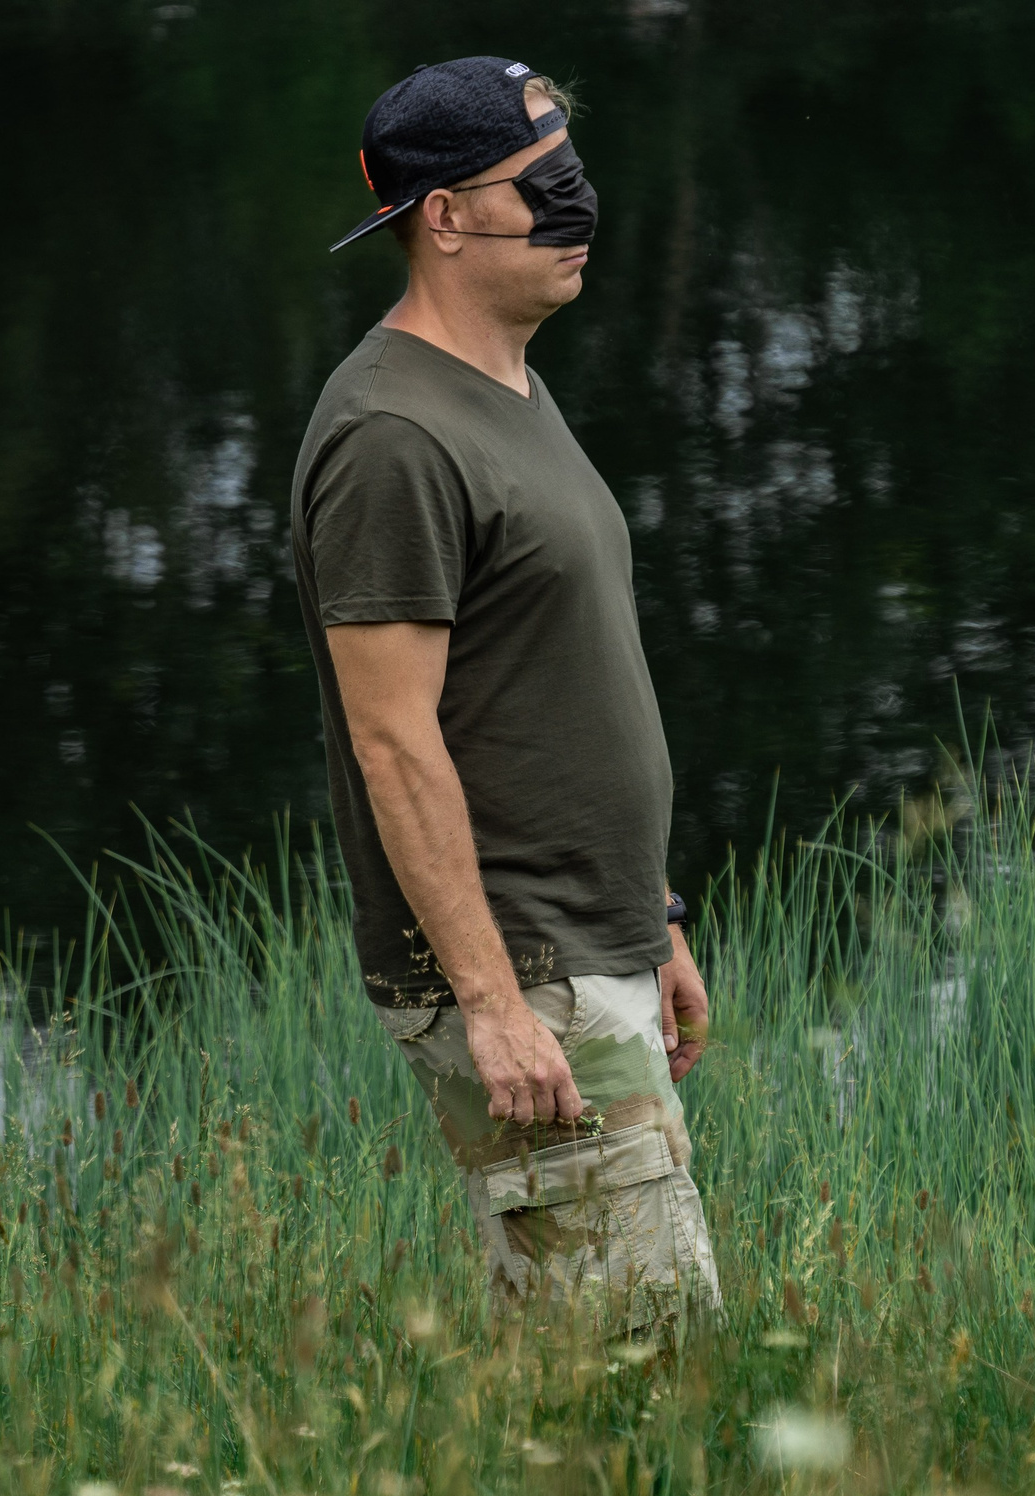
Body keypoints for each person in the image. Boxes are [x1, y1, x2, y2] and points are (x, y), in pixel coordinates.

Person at [293, 59, 721, 1332]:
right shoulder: (391, 437)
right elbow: (391, 738)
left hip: (590, 940)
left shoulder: (506, 388)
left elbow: (546, 685)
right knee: (635, 1358)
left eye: (572, 172)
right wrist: (490, 1003)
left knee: (600, 1344)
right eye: (543, 184)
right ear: (443, 216)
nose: (579, 207)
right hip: (522, 964)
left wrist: (652, 919)